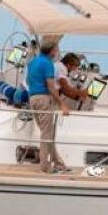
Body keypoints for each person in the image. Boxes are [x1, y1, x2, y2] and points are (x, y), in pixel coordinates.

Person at [26, 38, 69, 174]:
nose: (57, 52)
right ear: (51, 51)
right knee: (46, 135)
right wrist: (62, 103)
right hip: (44, 99)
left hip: (32, 99)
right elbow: (50, 86)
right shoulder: (48, 64)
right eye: (56, 50)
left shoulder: (32, 62)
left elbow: (28, 80)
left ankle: (58, 163)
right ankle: (45, 167)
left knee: (47, 134)